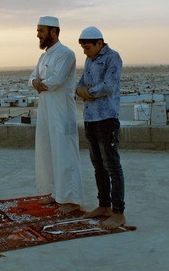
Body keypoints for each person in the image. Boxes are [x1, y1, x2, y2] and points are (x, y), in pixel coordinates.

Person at [29, 15, 85, 215]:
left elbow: (54, 81)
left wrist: (39, 83)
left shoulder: (66, 54)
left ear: (54, 31)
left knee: (65, 153)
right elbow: (32, 78)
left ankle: (72, 199)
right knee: (48, 151)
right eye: (38, 31)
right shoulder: (44, 56)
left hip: (62, 112)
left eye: (41, 31)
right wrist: (35, 82)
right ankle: (56, 193)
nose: (38, 35)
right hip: (46, 110)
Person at [75, 26, 126, 230]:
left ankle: (118, 212)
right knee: (98, 165)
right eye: (83, 48)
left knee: (112, 166)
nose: (84, 51)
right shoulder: (89, 60)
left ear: (99, 43)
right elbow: (79, 84)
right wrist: (82, 91)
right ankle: (104, 205)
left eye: (87, 47)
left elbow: (109, 85)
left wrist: (88, 93)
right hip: (90, 118)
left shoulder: (113, 57)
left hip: (106, 118)